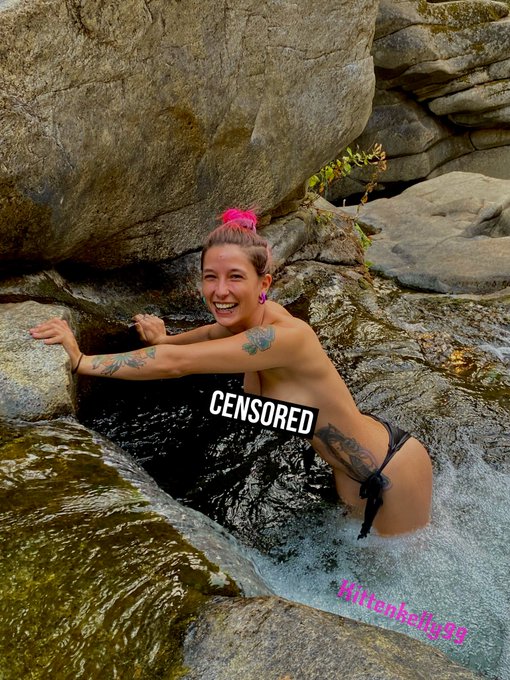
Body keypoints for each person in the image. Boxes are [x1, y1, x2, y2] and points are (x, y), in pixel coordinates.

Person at [29, 208, 432, 538]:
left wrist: (83, 361)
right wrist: (167, 339)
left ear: (263, 283)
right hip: (351, 470)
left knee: (385, 602)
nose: (220, 291)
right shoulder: (248, 321)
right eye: (211, 277)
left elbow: (177, 365)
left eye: (235, 277)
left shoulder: (284, 338)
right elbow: (205, 337)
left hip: (388, 471)